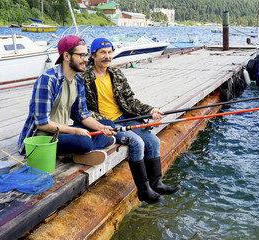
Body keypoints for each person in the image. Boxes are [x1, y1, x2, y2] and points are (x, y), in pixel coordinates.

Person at [82, 38, 180, 204]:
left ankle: (156, 184)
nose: (107, 56)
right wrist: (101, 124)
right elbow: (83, 109)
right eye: (102, 53)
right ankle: (143, 191)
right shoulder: (84, 78)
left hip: (125, 118)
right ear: (93, 55)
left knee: (154, 141)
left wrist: (150, 110)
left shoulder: (117, 74)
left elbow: (130, 100)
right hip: (108, 124)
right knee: (137, 143)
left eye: (109, 52)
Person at [18, 35, 116, 166]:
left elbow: (83, 115)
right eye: (81, 55)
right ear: (66, 56)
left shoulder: (78, 80)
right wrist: (76, 131)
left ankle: (83, 152)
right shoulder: (48, 79)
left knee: (108, 123)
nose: (86, 60)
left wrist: (102, 128)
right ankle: (88, 148)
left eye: (86, 55)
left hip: (62, 131)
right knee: (84, 141)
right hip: (43, 137)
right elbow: (42, 124)